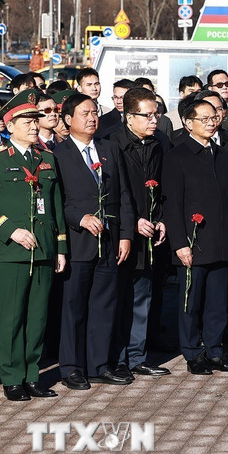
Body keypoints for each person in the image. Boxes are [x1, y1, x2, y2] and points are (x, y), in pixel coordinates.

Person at [0, 90, 67, 401]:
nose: (34, 125)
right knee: (11, 318)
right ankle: (12, 377)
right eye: (26, 120)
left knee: (37, 318)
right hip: (12, 253)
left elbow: (55, 207)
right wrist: (12, 232)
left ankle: (32, 376)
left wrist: (60, 249)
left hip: (43, 249)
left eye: (35, 119)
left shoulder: (47, 159)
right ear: (9, 125)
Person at [54, 94, 136, 389]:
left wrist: (126, 235)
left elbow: (124, 195)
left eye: (94, 112)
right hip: (78, 243)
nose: (92, 118)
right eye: (84, 113)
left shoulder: (109, 148)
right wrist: (79, 218)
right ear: (67, 120)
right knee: (74, 308)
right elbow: (57, 201)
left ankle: (99, 364)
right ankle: (72, 367)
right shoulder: (57, 154)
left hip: (110, 241)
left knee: (104, 305)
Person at [162, 97, 228, 375]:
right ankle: (193, 352)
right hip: (193, 243)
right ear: (187, 122)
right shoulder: (176, 156)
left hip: (221, 241)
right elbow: (172, 205)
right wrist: (180, 244)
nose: (211, 123)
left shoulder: (221, 154)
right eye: (204, 119)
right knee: (190, 302)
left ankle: (216, 351)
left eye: (214, 118)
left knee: (218, 302)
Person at [110, 87, 171, 378]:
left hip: (150, 231)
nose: (153, 120)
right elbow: (113, 193)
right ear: (128, 116)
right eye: (146, 115)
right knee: (120, 298)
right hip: (122, 233)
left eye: (156, 113)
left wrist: (160, 219)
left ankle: (137, 355)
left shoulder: (159, 143)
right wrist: (132, 222)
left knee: (143, 296)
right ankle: (117, 357)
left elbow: (164, 187)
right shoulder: (112, 143)